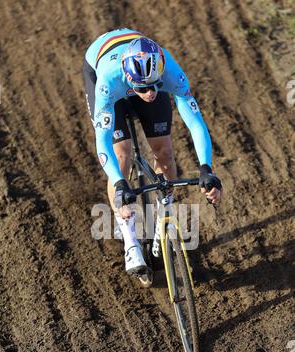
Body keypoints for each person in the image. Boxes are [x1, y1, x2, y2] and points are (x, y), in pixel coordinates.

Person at [83, 28, 222, 275]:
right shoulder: (108, 81)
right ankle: (130, 242)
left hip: (138, 73)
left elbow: (195, 122)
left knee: (165, 153)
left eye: (154, 86)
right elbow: (101, 142)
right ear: (130, 80)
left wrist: (206, 168)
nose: (149, 93)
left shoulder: (171, 73)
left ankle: (163, 221)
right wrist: (118, 184)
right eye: (142, 89)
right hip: (102, 69)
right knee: (122, 153)